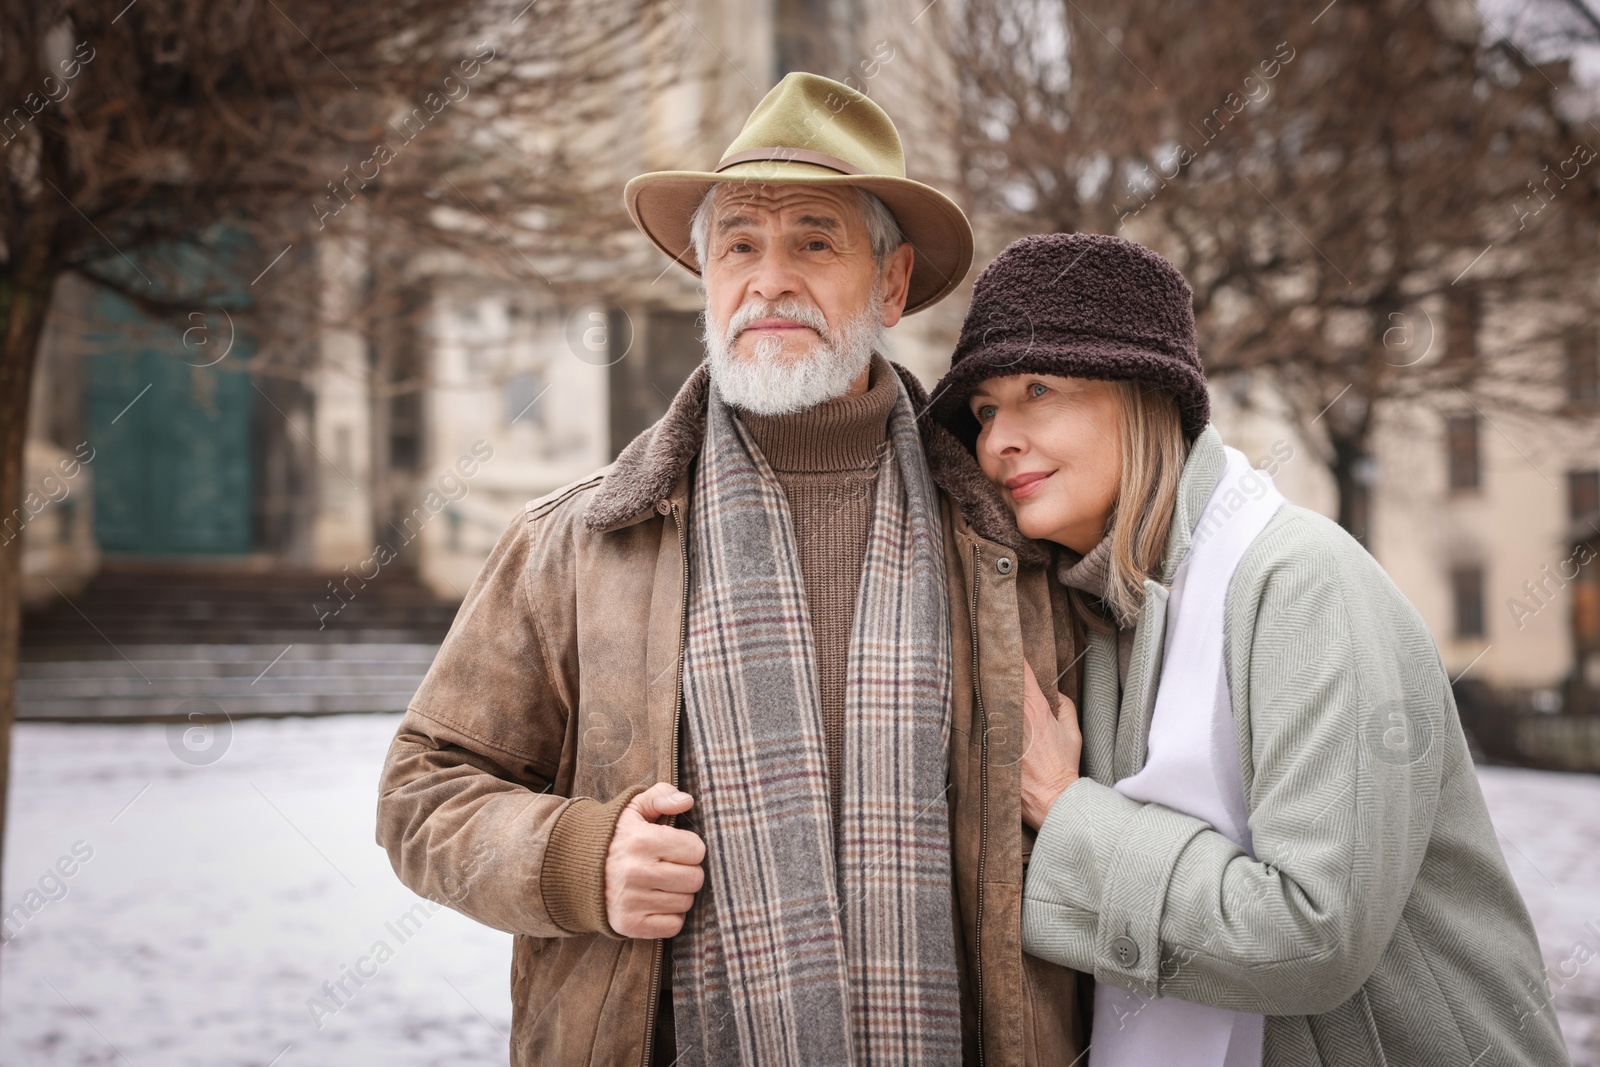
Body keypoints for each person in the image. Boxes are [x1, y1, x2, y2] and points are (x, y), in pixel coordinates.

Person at [375, 74, 1084, 1066]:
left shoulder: (1013, 550)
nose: (770, 280)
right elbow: (422, 792)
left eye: (813, 241)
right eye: (739, 245)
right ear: (706, 277)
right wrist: (579, 857)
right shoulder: (581, 541)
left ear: (889, 282)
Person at [930, 232, 1571, 1067]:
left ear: (1143, 397)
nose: (996, 441)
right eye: (983, 411)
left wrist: (1066, 808)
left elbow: (1312, 935)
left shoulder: (1301, 583)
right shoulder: (1097, 618)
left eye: (1038, 389)